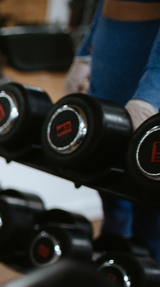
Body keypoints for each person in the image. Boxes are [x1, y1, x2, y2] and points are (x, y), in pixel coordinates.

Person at [64, 0, 160, 262]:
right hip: (110, 47)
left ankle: (147, 284)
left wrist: (153, 90)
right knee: (106, 175)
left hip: (147, 50)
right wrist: (86, 51)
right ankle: (112, 266)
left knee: (149, 198)